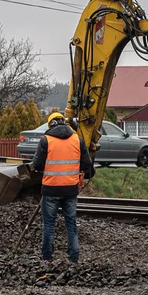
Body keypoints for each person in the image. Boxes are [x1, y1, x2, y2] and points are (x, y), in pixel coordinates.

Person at [32, 111, 94, 265]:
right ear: (64, 122)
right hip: (70, 190)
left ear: (50, 124)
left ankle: (47, 258)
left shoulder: (46, 140)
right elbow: (87, 165)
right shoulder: (77, 140)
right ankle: (74, 257)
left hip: (50, 189)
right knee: (71, 223)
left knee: (49, 225)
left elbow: (37, 165)